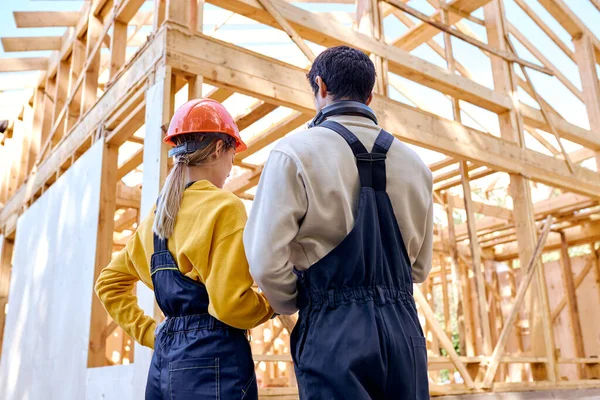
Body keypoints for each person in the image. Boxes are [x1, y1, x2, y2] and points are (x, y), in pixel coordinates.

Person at [244, 46, 433, 399]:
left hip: (333, 328)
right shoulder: (417, 165)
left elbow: (265, 263)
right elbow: (419, 269)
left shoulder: (293, 153)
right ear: (370, 94)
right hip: (404, 329)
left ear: (321, 86)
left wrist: (301, 300)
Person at [95, 99, 273, 399]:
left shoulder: (156, 217)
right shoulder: (224, 206)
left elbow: (108, 284)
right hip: (213, 359)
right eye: (232, 155)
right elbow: (231, 306)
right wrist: (272, 303)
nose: (231, 167)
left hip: (164, 363)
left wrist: (152, 333)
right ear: (218, 149)